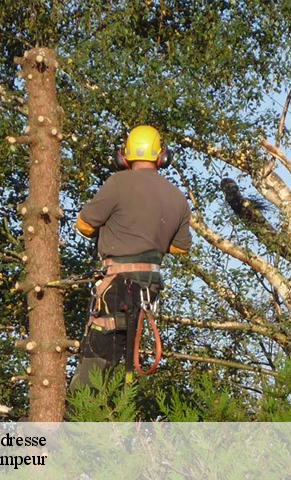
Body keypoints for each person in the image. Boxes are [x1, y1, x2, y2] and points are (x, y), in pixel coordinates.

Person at [69, 125, 192, 390]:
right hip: (148, 289)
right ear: (162, 157)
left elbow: (84, 225)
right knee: (126, 356)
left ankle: (79, 417)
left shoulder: (117, 183)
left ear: (124, 157)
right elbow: (181, 248)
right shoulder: (177, 197)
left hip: (116, 285)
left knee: (97, 361)